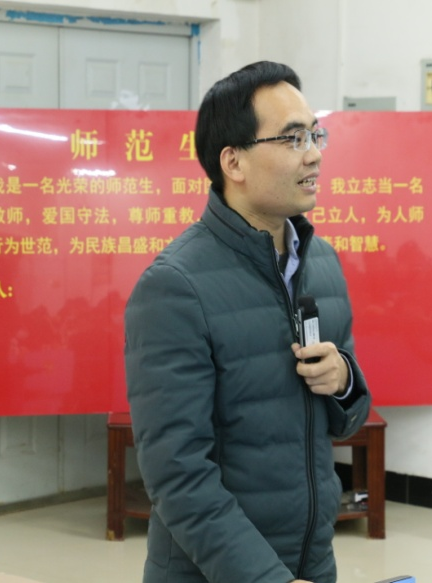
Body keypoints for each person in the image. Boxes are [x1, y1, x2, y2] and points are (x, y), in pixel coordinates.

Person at [124, 61, 371, 583]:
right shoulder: (175, 287)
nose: (314, 153)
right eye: (293, 138)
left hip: (311, 562)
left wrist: (344, 380)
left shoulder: (322, 262)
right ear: (233, 161)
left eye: (315, 134)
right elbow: (177, 476)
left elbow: (347, 420)